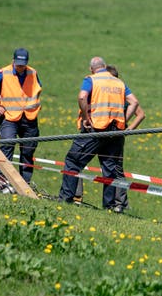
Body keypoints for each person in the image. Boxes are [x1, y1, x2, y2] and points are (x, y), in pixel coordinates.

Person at [59, 57, 139, 209]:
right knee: (110, 169)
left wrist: (85, 117)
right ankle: (108, 207)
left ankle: (65, 199)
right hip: (115, 132)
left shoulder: (91, 80)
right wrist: (122, 119)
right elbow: (134, 102)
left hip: (95, 129)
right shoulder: (119, 82)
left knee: (73, 161)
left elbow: (82, 96)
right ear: (104, 67)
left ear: (92, 69)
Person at [0, 48, 42, 183]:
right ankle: (1, 180)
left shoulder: (33, 73)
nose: (21, 67)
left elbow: (37, 90)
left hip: (30, 118)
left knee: (28, 151)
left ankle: (24, 183)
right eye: (18, 64)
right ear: (13, 61)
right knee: (7, 145)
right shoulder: (3, 73)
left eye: (23, 64)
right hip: (9, 118)